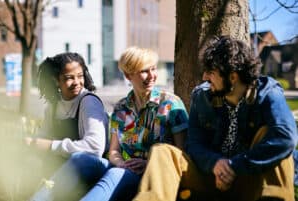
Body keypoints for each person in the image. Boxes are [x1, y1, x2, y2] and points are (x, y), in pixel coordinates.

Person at [132, 36, 298, 201]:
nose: (204, 77)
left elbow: (285, 138)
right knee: (163, 151)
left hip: (249, 179)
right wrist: (216, 163)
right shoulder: (202, 96)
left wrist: (234, 166)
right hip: (209, 178)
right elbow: (193, 145)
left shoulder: (267, 93)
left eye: (211, 72)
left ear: (232, 77)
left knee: (273, 138)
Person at [70, 46, 189, 201]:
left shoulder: (171, 104)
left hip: (156, 174)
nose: (152, 75)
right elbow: (114, 151)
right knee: (79, 158)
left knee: (115, 173)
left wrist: (147, 164)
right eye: (144, 71)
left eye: (153, 69)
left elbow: (182, 153)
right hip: (126, 169)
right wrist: (122, 164)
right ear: (128, 75)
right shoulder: (120, 108)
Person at [27, 52, 109, 201]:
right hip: (66, 168)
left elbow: (95, 148)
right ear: (56, 80)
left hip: (91, 165)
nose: (77, 82)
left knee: (78, 159)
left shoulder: (89, 102)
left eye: (80, 76)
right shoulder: (53, 107)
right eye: (69, 78)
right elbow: (41, 139)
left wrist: (50, 146)